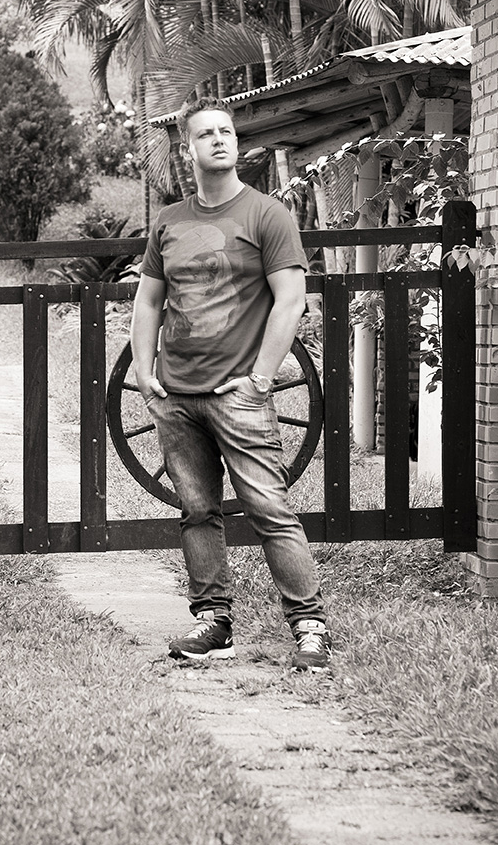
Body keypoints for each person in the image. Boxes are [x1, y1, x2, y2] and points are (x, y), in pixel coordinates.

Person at [130, 96, 330, 671]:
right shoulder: (169, 221)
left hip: (239, 396)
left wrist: (262, 380)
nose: (219, 140)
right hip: (177, 396)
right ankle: (212, 621)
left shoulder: (267, 215)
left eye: (226, 131)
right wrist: (146, 370)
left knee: (269, 508)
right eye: (206, 134)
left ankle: (310, 627)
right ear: (187, 149)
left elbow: (290, 301)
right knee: (197, 511)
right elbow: (149, 299)